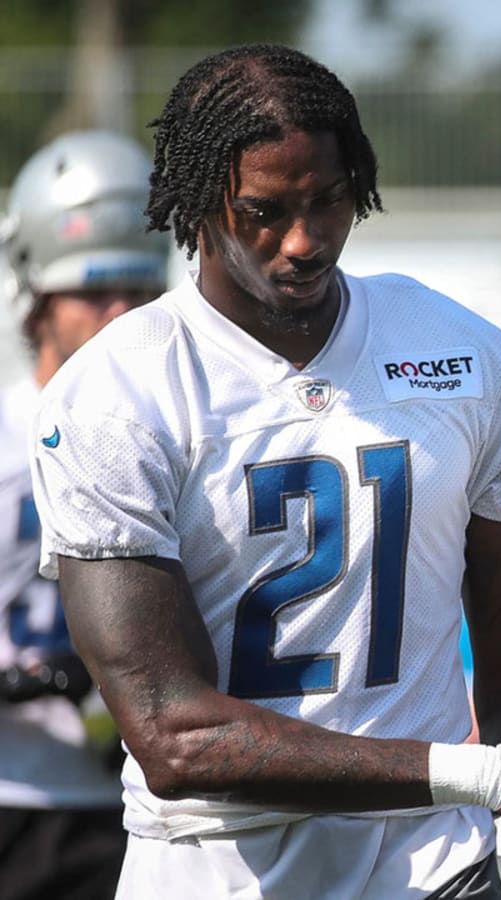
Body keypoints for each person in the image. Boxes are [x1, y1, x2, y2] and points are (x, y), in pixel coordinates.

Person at [28, 44, 501, 899]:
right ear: (200, 206)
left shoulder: (466, 355)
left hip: (433, 866)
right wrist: (488, 780)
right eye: (265, 212)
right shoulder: (115, 395)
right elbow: (172, 738)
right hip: (214, 867)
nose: (305, 240)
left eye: (330, 200)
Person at [0, 129, 172, 900]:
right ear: (36, 294)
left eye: (138, 292)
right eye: (92, 292)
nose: (119, 315)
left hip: (143, 805)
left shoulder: (183, 440)